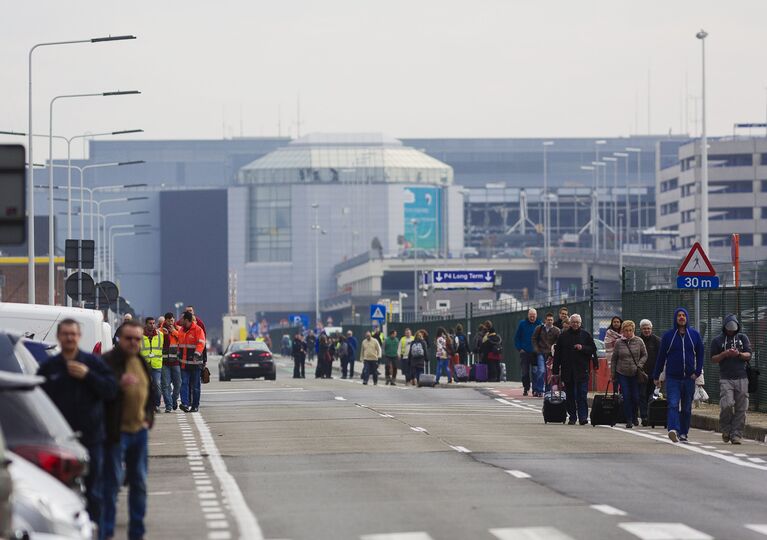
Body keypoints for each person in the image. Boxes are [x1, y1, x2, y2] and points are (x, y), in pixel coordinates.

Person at [38, 319, 118, 535]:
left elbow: (111, 390)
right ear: (59, 337)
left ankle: (97, 533)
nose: (69, 338)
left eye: (73, 334)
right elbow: (38, 401)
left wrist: (88, 376)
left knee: (94, 492)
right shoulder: (49, 367)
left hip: (91, 439)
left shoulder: (92, 363)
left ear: (79, 337)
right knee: (59, 494)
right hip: (59, 442)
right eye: (65, 334)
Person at [102, 320, 156, 540]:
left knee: (139, 483)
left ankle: (137, 533)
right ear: (120, 340)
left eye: (137, 339)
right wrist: (117, 384)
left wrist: (148, 419)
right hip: (115, 433)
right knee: (111, 484)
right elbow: (99, 391)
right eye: (129, 338)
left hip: (139, 433)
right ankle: (105, 533)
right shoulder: (107, 362)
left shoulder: (142, 362)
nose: (134, 342)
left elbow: (151, 394)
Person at [652, 307, 704, 443]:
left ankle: (683, 433)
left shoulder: (694, 335)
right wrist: (656, 375)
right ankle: (673, 429)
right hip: (673, 378)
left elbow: (701, 354)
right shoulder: (668, 336)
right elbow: (661, 357)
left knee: (686, 408)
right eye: (679, 315)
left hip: (689, 378)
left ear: (687, 318)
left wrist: (697, 372)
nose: (681, 317)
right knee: (673, 404)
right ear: (675, 318)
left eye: (683, 315)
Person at [711, 314, 752, 445]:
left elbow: (748, 354)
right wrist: (724, 354)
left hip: (742, 377)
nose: (731, 330)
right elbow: (713, 359)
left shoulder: (742, 338)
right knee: (727, 404)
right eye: (729, 328)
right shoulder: (717, 340)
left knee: (741, 408)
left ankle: (736, 434)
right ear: (724, 327)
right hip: (726, 378)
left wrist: (738, 354)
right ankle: (726, 429)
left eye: (733, 328)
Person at [553, 314, 598, 425]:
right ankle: (572, 417)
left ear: (580, 323)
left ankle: (583, 417)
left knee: (582, 395)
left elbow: (593, 349)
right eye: (573, 322)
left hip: (582, 369)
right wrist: (555, 371)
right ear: (570, 323)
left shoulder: (586, 335)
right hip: (568, 370)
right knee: (570, 395)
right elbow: (558, 354)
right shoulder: (563, 336)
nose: (575, 324)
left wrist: (582, 348)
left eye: (577, 322)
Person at [611, 320, 648, 429]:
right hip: (622, 372)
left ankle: (635, 415)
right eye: (626, 331)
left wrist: (640, 365)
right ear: (623, 331)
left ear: (633, 330)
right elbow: (614, 359)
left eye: (630, 330)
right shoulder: (618, 343)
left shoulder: (639, 341)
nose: (628, 333)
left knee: (636, 397)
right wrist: (613, 374)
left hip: (635, 373)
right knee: (626, 396)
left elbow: (645, 355)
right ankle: (629, 419)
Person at [178, 312, 206, 413]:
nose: (180, 321)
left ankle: (195, 406)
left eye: (182, 319)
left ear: (187, 320)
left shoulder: (198, 330)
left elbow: (201, 343)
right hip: (184, 364)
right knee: (184, 383)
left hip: (195, 364)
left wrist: (196, 354)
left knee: (195, 386)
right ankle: (185, 404)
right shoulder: (181, 331)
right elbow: (179, 345)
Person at [638, 319, 661, 425]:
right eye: (644, 328)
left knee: (651, 395)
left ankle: (651, 415)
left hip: (654, 373)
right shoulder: (637, 340)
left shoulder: (657, 341)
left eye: (648, 328)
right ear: (641, 329)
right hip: (641, 373)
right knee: (642, 394)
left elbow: (661, 357)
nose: (646, 330)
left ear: (651, 329)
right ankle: (644, 416)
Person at [514, 309, 542, 396]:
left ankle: (535, 389)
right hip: (525, 352)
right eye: (531, 315)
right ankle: (526, 387)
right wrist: (520, 348)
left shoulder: (540, 324)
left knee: (535, 372)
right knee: (525, 372)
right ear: (528, 315)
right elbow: (517, 337)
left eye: (534, 315)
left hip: (535, 353)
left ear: (536, 316)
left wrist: (539, 349)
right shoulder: (522, 324)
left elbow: (542, 338)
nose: (532, 317)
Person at [141, 317, 164, 414]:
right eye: (150, 323)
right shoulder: (140, 335)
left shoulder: (160, 335)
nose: (152, 325)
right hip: (144, 364)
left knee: (157, 385)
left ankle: (157, 405)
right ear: (146, 324)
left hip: (156, 364)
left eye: (154, 323)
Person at [533, 312, 560, 393]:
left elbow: (558, 342)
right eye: (548, 320)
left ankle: (548, 390)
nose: (550, 321)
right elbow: (534, 339)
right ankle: (539, 389)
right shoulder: (539, 328)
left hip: (550, 354)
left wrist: (554, 350)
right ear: (545, 320)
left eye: (551, 320)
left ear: (553, 320)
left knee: (549, 373)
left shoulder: (556, 330)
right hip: (541, 352)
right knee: (541, 371)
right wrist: (537, 349)